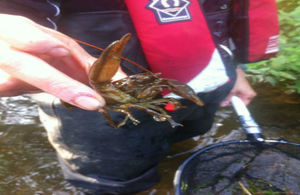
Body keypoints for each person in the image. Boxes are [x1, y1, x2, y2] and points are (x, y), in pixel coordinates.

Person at [0, 0, 257, 194]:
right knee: (114, 182)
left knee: (183, 139)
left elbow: (230, 13)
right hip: (91, 106)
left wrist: (235, 69)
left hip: (198, 89)